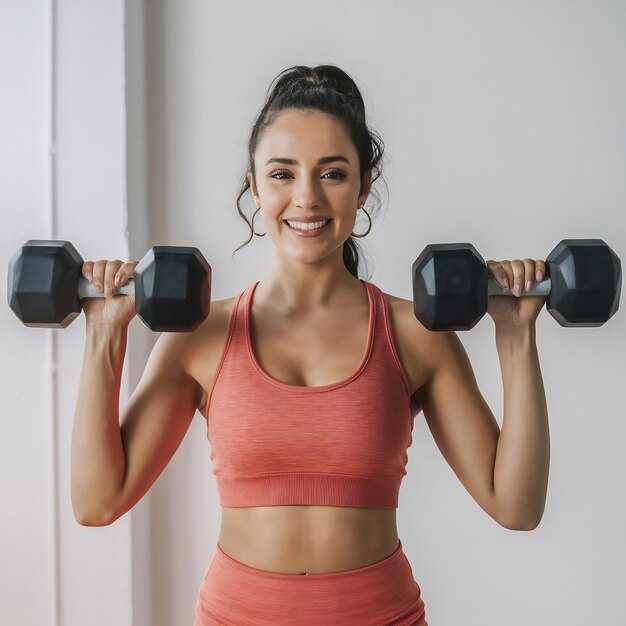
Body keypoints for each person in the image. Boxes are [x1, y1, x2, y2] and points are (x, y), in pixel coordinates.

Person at [71, 65, 550, 625]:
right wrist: (105, 333)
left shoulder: (415, 334)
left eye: (332, 173)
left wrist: (516, 336)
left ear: (363, 186)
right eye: (282, 174)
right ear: (253, 185)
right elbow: (97, 502)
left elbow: (515, 506)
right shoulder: (199, 338)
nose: (306, 197)